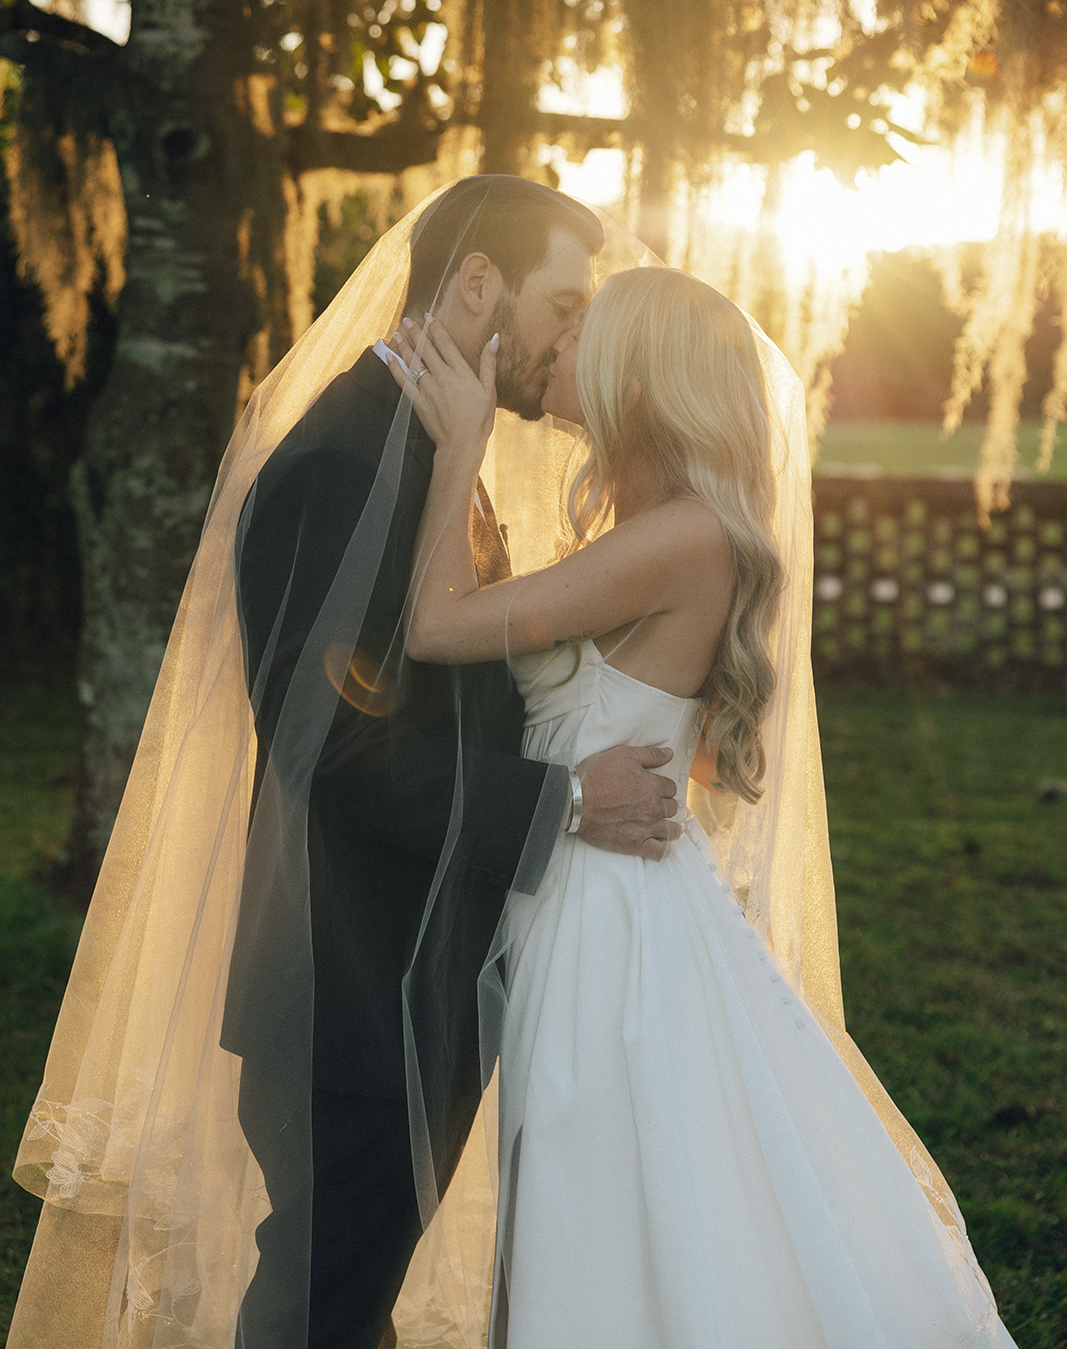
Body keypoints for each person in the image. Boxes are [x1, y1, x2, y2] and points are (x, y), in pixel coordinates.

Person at [7, 179, 676, 1349]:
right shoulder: (337, 463)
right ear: (477, 284)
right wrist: (566, 800)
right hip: (352, 989)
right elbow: (338, 748)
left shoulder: (427, 441)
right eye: (559, 304)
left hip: (414, 980)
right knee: (320, 1303)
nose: (572, 339)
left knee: (346, 1301)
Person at [387, 266, 1020, 1348]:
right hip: (586, 883)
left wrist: (458, 444)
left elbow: (437, 627)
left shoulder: (682, 536)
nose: (562, 342)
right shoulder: (653, 529)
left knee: (596, 1196)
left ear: (644, 374)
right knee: (607, 1186)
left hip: (606, 921)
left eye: (588, 328)